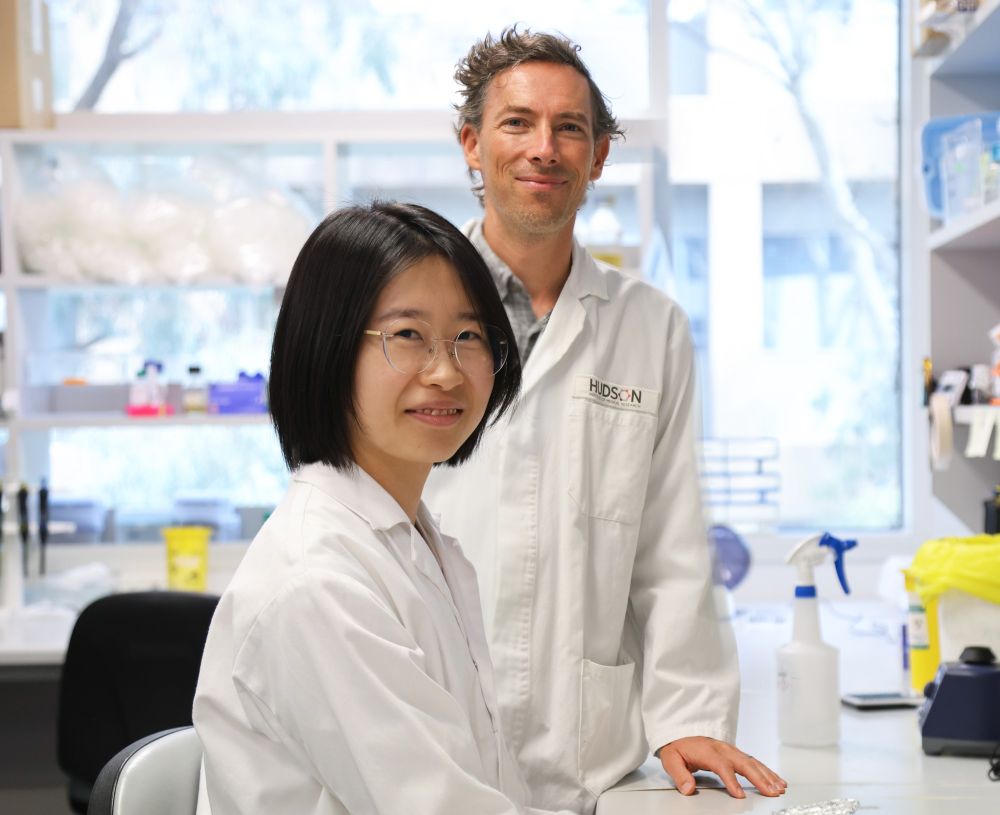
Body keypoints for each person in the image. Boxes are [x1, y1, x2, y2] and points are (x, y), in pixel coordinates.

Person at [423, 28, 788, 813]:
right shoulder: (404, 310)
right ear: (471, 144)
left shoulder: (649, 325)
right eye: (517, 122)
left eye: (570, 128)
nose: (543, 148)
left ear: (598, 158)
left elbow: (672, 542)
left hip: (585, 758)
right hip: (425, 733)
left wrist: (686, 715)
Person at [193, 201, 576, 814]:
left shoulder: (413, 541)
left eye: (469, 336)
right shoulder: (317, 584)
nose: (446, 372)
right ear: (328, 349)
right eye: (407, 336)